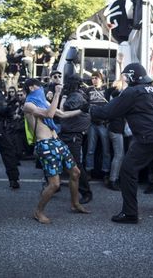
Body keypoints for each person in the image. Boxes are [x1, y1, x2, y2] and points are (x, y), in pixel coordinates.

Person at [90, 63, 153, 224]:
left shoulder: (133, 92)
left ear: (132, 76)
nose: (124, 80)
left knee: (128, 170)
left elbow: (109, 112)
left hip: (148, 137)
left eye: (125, 76)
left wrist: (89, 109)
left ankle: (130, 213)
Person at [23, 78, 89, 224]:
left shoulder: (42, 101)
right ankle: (38, 211)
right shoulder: (28, 104)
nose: (42, 89)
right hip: (45, 144)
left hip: (56, 140)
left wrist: (82, 109)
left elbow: (62, 115)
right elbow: (49, 114)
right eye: (39, 86)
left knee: (75, 172)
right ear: (31, 87)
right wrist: (58, 94)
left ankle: (75, 204)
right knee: (54, 184)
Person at [59, 74, 93, 204]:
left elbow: (62, 111)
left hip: (73, 134)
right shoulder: (78, 95)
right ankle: (53, 185)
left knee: (75, 164)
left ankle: (86, 192)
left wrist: (63, 96)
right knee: (61, 160)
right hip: (69, 133)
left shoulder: (76, 96)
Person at [85, 71, 111, 182]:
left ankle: (106, 173)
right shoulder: (88, 90)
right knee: (90, 149)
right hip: (92, 123)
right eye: (92, 78)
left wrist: (120, 63)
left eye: (96, 78)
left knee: (106, 150)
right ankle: (88, 172)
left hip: (103, 124)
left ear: (101, 79)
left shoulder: (106, 90)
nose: (94, 80)